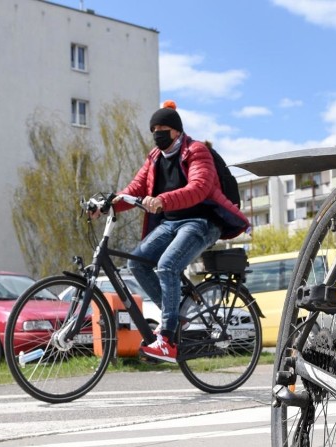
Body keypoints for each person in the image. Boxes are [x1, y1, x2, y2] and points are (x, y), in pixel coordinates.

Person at [93, 101, 250, 363]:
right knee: (137, 263)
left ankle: (167, 338)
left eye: (162, 128)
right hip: (170, 223)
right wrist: (106, 204)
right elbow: (135, 190)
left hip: (201, 221)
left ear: (176, 131)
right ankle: (177, 316)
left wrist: (163, 200)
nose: (157, 133)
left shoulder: (197, 151)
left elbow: (199, 187)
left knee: (167, 265)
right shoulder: (154, 158)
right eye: (154, 129)